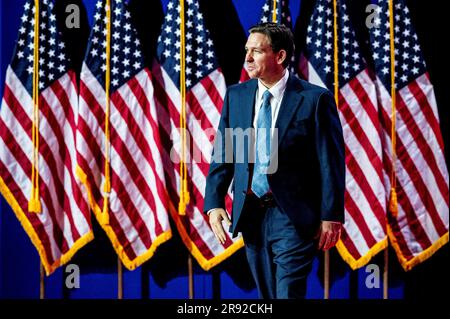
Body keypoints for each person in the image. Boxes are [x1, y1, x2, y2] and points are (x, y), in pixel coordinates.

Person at [204, 22, 345, 299]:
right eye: (247, 50)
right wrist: (214, 202)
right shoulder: (237, 95)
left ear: (279, 56)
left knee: (288, 292)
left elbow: (331, 161)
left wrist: (331, 214)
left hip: (293, 214)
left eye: (256, 51)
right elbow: (225, 152)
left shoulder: (315, 99)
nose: (247, 58)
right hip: (251, 212)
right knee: (267, 296)